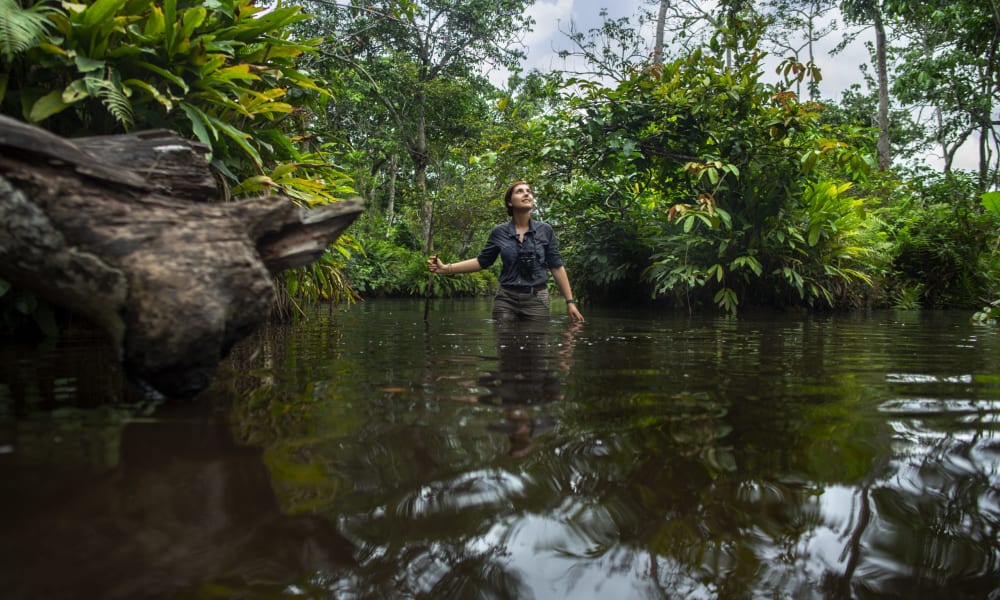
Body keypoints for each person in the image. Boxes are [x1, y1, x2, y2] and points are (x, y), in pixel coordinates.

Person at [427, 181, 585, 323]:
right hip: (506, 299)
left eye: (529, 191)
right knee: (506, 346)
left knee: (537, 349)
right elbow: (482, 262)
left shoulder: (546, 230)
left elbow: (556, 266)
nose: (526, 193)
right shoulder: (499, 232)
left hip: (537, 298)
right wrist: (445, 268)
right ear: (510, 202)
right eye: (520, 191)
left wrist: (570, 302)